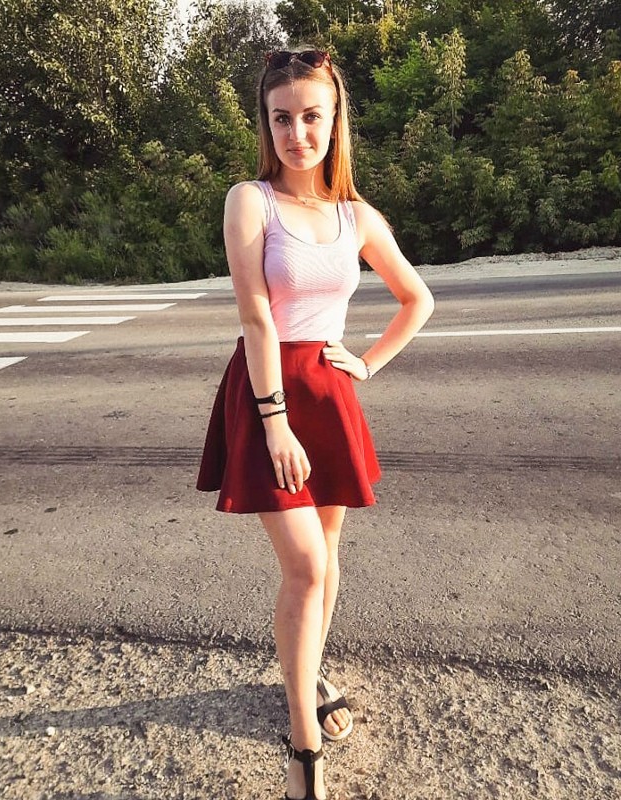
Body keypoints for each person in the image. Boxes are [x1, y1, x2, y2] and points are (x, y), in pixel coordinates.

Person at [197, 47, 435, 800]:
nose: (297, 133)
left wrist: (366, 364)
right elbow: (257, 317)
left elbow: (418, 299)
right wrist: (274, 423)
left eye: (311, 116)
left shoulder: (356, 216)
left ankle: (309, 672)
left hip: (328, 394)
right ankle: (303, 752)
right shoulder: (250, 201)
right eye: (281, 119)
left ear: (335, 121)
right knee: (304, 566)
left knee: (327, 561)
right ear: (266, 126)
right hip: (269, 390)